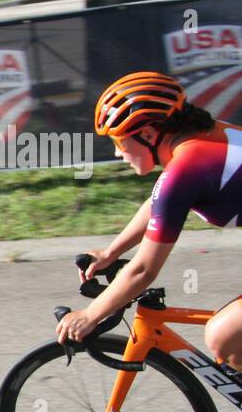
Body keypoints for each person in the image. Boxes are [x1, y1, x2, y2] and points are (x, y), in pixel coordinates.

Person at [58, 70, 242, 367]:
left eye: (118, 142)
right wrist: (111, 252)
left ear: (147, 134)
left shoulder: (186, 168)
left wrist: (90, 315)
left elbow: (143, 270)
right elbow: (160, 200)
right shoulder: (203, 138)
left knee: (226, 336)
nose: (118, 153)